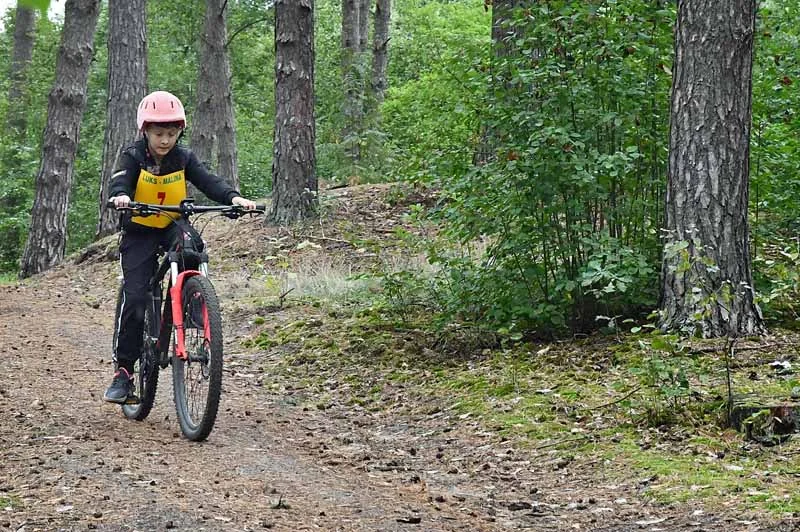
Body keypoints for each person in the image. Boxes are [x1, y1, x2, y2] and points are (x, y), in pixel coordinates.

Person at [104, 90, 257, 403]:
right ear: (145, 131)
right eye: (159, 133)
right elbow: (120, 179)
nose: (165, 140)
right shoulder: (133, 156)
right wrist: (121, 196)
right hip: (140, 231)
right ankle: (124, 372)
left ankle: (193, 303)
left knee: (192, 245)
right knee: (135, 298)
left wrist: (233, 198)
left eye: (172, 134)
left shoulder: (183, 158)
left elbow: (207, 180)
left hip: (173, 225)